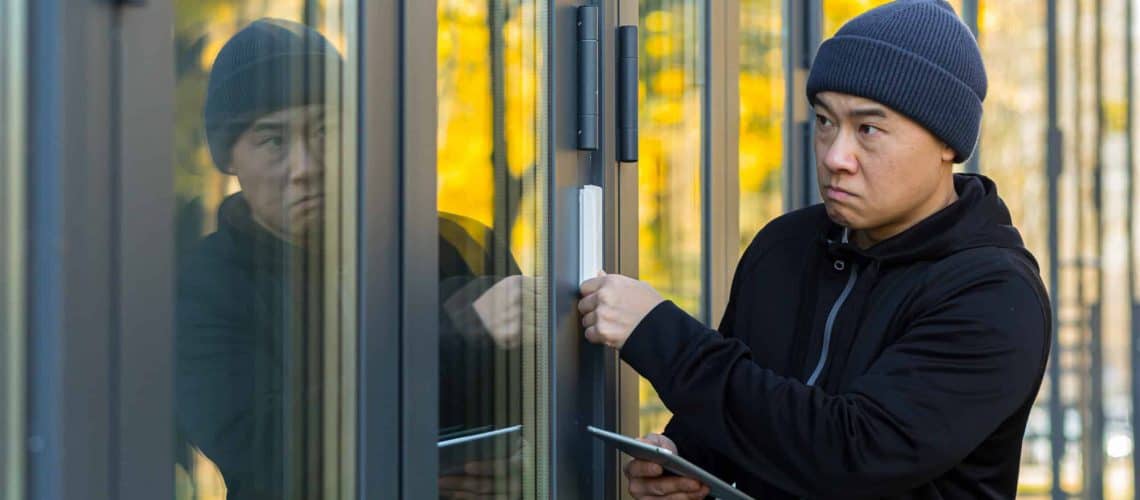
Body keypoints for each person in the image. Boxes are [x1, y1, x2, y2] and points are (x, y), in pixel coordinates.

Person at [578, 1, 1051, 498]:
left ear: (948, 144)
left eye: (868, 129)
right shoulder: (782, 249)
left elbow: (852, 455)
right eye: (825, 121)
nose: (834, 156)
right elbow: (736, 424)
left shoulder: (995, 296)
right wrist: (684, 462)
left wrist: (662, 337)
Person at [174, 18, 525, 499]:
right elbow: (263, 449)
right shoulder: (201, 286)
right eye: (273, 140)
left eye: (325, 131)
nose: (307, 167)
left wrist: (528, 469)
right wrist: (449, 336)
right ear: (227, 158)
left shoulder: (458, 247)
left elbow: (545, 408)